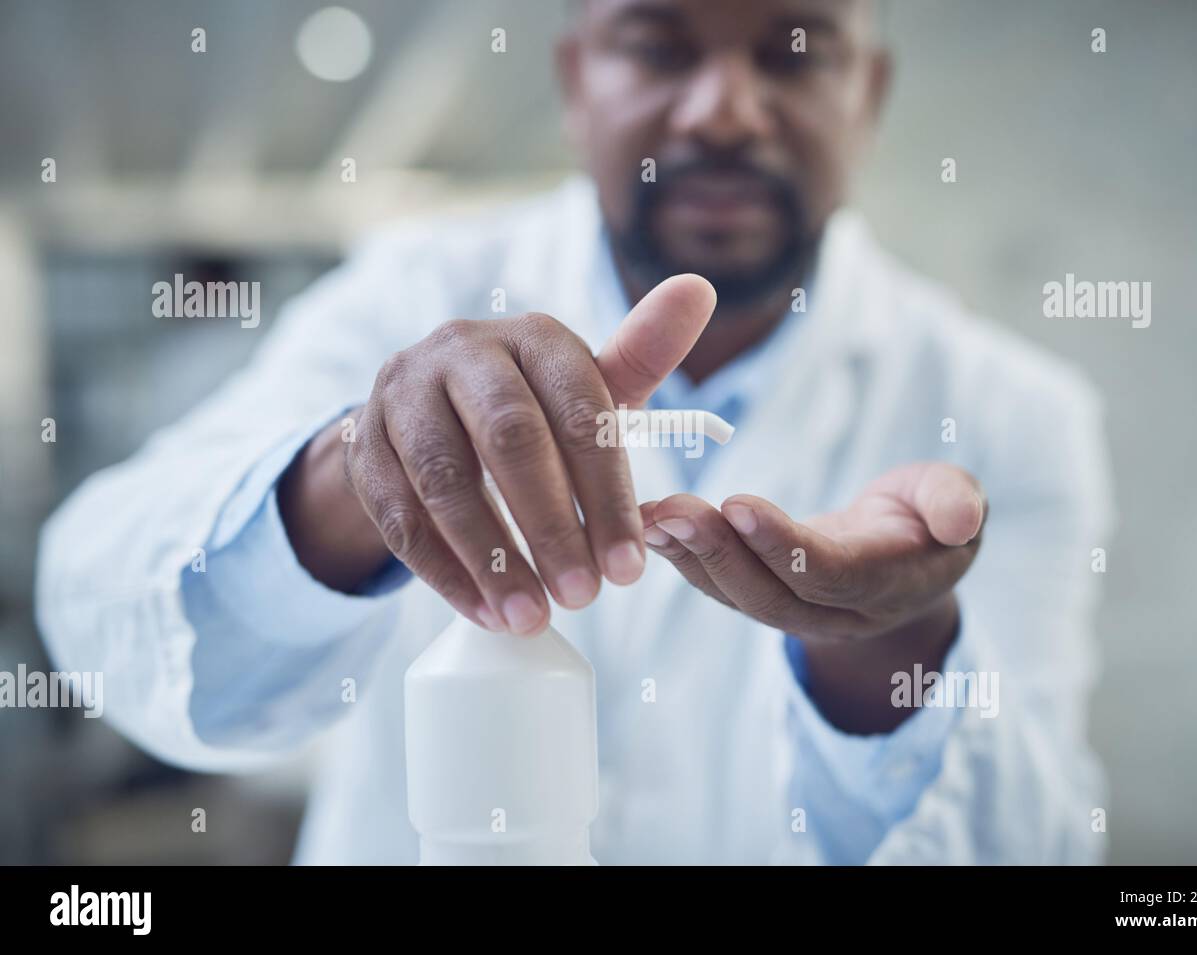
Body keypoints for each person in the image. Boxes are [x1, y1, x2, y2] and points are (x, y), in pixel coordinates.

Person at [36, 0, 1113, 864]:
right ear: (573, 84)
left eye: (794, 53)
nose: (724, 111)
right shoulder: (409, 293)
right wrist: (362, 472)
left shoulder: (1011, 413)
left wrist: (892, 648)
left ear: (866, 94)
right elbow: (98, 594)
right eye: (657, 44)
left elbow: (1036, 840)